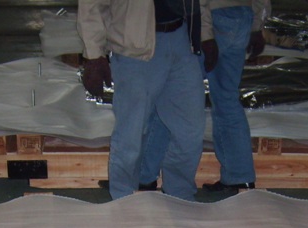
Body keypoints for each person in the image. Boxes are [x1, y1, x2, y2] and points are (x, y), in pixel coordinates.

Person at [77, 0, 217, 202]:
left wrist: (206, 34)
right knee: (131, 133)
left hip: (181, 40)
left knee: (190, 130)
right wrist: (93, 55)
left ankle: (180, 196)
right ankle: (123, 200)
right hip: (135, 49)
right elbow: (91, 5)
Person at [139, 0, 271, 195]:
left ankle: (143, 175)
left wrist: (205, 34)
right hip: (242, 16)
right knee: (227, 98)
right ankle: (239, 177)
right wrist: (256, 26)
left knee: (173, 98)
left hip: (210, 18)